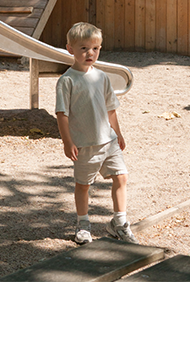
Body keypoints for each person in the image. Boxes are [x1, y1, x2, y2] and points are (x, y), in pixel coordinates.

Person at [55, 21, 134, 244]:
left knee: (121, 177)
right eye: (84, 48)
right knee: (83, 185)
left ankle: (119, 222)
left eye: (95, 48)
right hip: (85, 144)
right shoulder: (67, 81)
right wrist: (67, 142)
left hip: (108, 142)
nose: (90, 53)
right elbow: (62, 114)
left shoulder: (102, 77)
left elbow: (111, 108)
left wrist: (118, 133)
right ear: (70, 49)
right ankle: (83, 225)